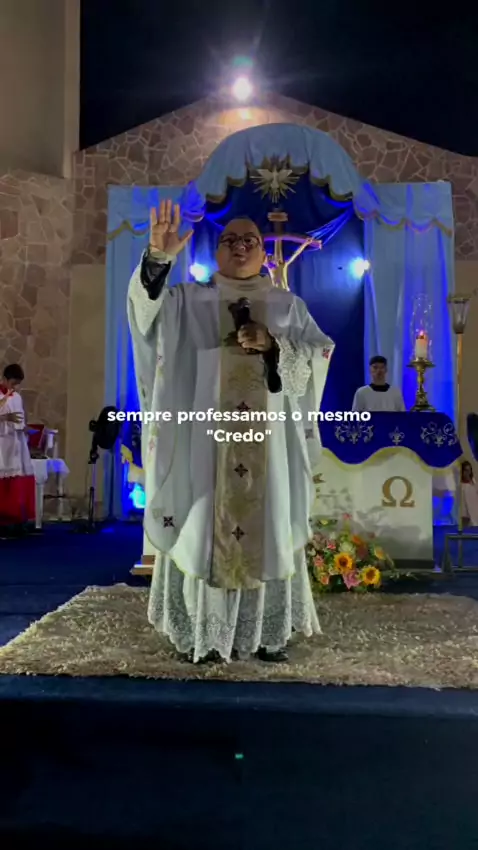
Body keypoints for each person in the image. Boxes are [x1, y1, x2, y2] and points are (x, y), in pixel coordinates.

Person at [127, 200, 334, 664]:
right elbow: (144, 316)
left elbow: (320, 355)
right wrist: (157, 260)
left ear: (263, 251)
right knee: (204, 528)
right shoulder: (188, 301)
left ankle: (265, 635)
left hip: (269, 448)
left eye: (249, 240)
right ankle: (206, 635)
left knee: (269, 525)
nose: (240, 247)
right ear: (216, 250)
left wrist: (275, 345)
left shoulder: (287, 306)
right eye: (229, 240)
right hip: (204, 448)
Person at [0, 364, 36, 533]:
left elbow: (19, 419)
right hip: (2, 444)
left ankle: (17, 519)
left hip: (16, 442)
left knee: (18, 481)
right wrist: (5, 417)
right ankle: (3, 521)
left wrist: (25, 428)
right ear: (5, 379)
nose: (14, 387)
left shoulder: (17, 398)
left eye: (17, 384)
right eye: (13, 383)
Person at [461, 460, 478, 527]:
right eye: (466, 470)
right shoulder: (461, 486)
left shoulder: (474, 483)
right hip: (467, 518)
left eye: (469, 470)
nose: (468, 473)